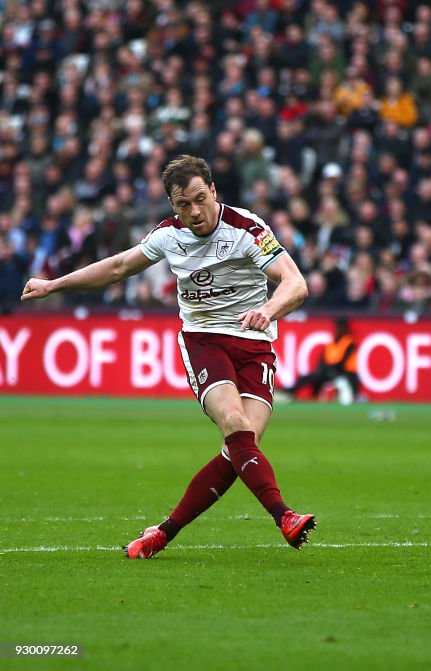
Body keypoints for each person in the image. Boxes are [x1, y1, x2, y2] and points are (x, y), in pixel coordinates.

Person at [21, 155, 317, 558]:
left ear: (214, 191)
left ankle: (163, 532)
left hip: (255, 342)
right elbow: (118, 267)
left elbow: (295, 283)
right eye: (183, 205)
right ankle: (284, 516)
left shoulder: (248, 229)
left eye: (200, 199)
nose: (194, 212)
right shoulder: (168, 236)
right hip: (204, 341)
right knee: (234, 422)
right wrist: (54, 284)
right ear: (172, 206)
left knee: (242, 446)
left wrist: (267, 310)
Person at [278, 318, 360, 403]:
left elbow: (343, 362)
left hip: (346, 374)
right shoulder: (332, 342)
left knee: (320, 377)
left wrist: (329, 370)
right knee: (308, 377)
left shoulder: (349, 342)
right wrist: (323, 370)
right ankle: (290, 392)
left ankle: (289, 393)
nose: (338, 330)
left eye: (340, 328)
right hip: (331, 373)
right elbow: (323, 360)